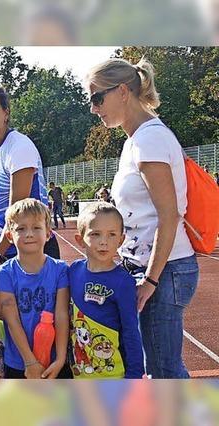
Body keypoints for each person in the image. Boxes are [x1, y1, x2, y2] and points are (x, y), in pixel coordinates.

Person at [86, 57, 199, 378]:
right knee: (158, 369)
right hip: (154, 270)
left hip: (165, 272)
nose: (94, 108)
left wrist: (150, 280)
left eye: (97, 98)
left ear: (122, 91)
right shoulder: (136, 140)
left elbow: (170, 214)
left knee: (164, 371)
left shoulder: (150, 139)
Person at [0, 85, 59, 267]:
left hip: (32, 250)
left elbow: (16, 213)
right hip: (6, 248)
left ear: (6, 113)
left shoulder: (19, 147)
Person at [0, 199, 70, 379]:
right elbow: (11, 318)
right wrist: (29, 361)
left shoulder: (60, 270)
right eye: (21, 229)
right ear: (9, 236)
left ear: (48, 233)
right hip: (19, 362)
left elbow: (61, 315)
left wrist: (59, 359)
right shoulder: (5, 273)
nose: (29, 234)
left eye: (36, 228)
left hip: (54, 361)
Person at [69, 203, 144, 379]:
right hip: (79, 371)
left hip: (114, 375)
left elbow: (131, 331)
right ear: (80, 240)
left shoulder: (123, 282)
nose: (104, 241)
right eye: (95, 234)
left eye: (112, 235)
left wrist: (134, 374)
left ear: (121, 240)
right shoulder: (73, 271)